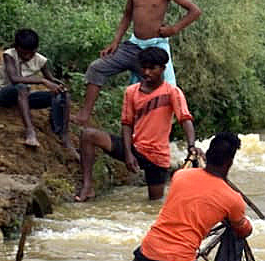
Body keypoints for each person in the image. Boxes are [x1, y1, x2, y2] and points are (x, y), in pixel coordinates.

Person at [75, 0, 202, 127]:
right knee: (97, 68)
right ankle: (84, 114)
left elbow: (195, 11)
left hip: (155, 49)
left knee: (166, 92)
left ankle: (156, 131)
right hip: (133, 46)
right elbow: (127, 15)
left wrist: (173, 29)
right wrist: (115, 42)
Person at [128, 131, 248, 261]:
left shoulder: (180, 175)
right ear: (230, 162)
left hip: (145, 256)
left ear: (206, 155)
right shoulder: (233, 199)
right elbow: (242, 231)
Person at [76, 46, 198, 202]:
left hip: (157, 157)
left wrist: (191, 146)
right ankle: (87, 186)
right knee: (88, 135)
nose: (146, 72)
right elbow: (126, 123)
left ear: (162, 69)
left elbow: (185, 119)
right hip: (135, 148)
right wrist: (128, 153)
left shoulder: (172, 92)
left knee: (154, 203)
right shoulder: (131, 91)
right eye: (144, 68)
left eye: (152, 68)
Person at [0, 28, 71, 151]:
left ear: (36, 49)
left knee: (62, 95)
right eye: (23, 53)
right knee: (21, 87)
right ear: (16, 47)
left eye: (31, 53)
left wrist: (59, 86)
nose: (27, 56)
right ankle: (30, 131)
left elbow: (50, 78)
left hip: (22, 98)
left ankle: (62, 133)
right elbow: (14, 79)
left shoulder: (40, 60)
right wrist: (42, 81)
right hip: (3, 93)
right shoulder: (9, 55)